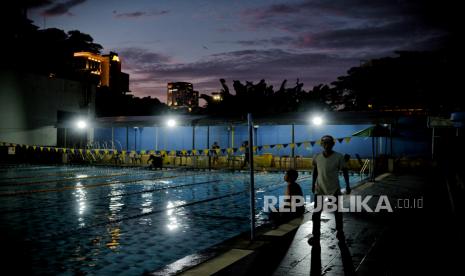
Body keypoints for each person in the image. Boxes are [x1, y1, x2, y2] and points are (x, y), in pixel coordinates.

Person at [308, 135, 351, 246]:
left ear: (333, 144)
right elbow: (315, 172)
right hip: (320, 189)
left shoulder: (339, 157)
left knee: (337, 212)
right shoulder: (317, 157)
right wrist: (313, 184)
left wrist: (347, 185)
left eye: (329, 143)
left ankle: (340, 232)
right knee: (316, 214)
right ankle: (315, 235)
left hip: (334, 188)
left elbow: (345, 171)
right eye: (324, 143)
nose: (327, 145)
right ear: (322, 144)